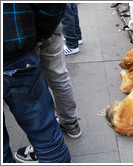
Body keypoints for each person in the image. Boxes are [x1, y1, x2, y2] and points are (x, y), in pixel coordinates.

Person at [3, 3, 71, 163]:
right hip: (16, 53)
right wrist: (35, 35)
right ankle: (71, 123)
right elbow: (52, 7)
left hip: (17, 55)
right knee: (45, 135)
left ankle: (70, 123)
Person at [14, 24, 82, 163]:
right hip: (50, 22)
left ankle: (43, 147)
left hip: (22, 30)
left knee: (31, 84)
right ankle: (71, 123)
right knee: (59, 77)